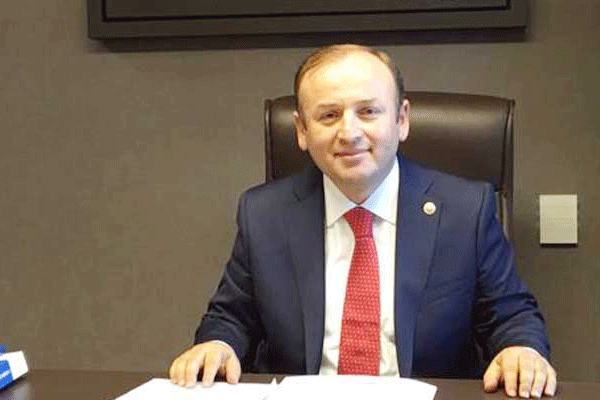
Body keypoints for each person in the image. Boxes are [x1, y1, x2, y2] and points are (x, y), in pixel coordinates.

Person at [169, 44, 557, 398]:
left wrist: (520, 349)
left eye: (368, 112)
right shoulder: (264, 214)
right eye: (329, 115)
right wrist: (218, 344)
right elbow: (232, 317)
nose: (349, 132)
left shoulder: (465, 209)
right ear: (302, 131)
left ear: (401, 119)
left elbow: (510, 315)